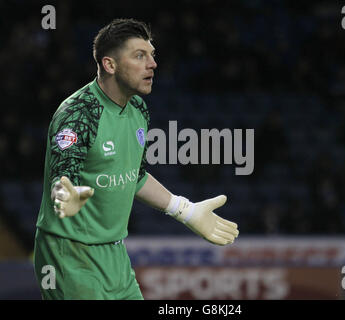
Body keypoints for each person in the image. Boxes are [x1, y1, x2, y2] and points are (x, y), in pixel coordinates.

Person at [33, 18, 239, 300]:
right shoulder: (79, 113)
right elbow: (63, 176)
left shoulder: (138, 108)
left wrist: (185, 210)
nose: (152, 64)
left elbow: (134, 174)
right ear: (110, 65)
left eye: (152, 55)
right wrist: (65, 194)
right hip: (70, 255)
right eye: (140, 56)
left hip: (115, 254)